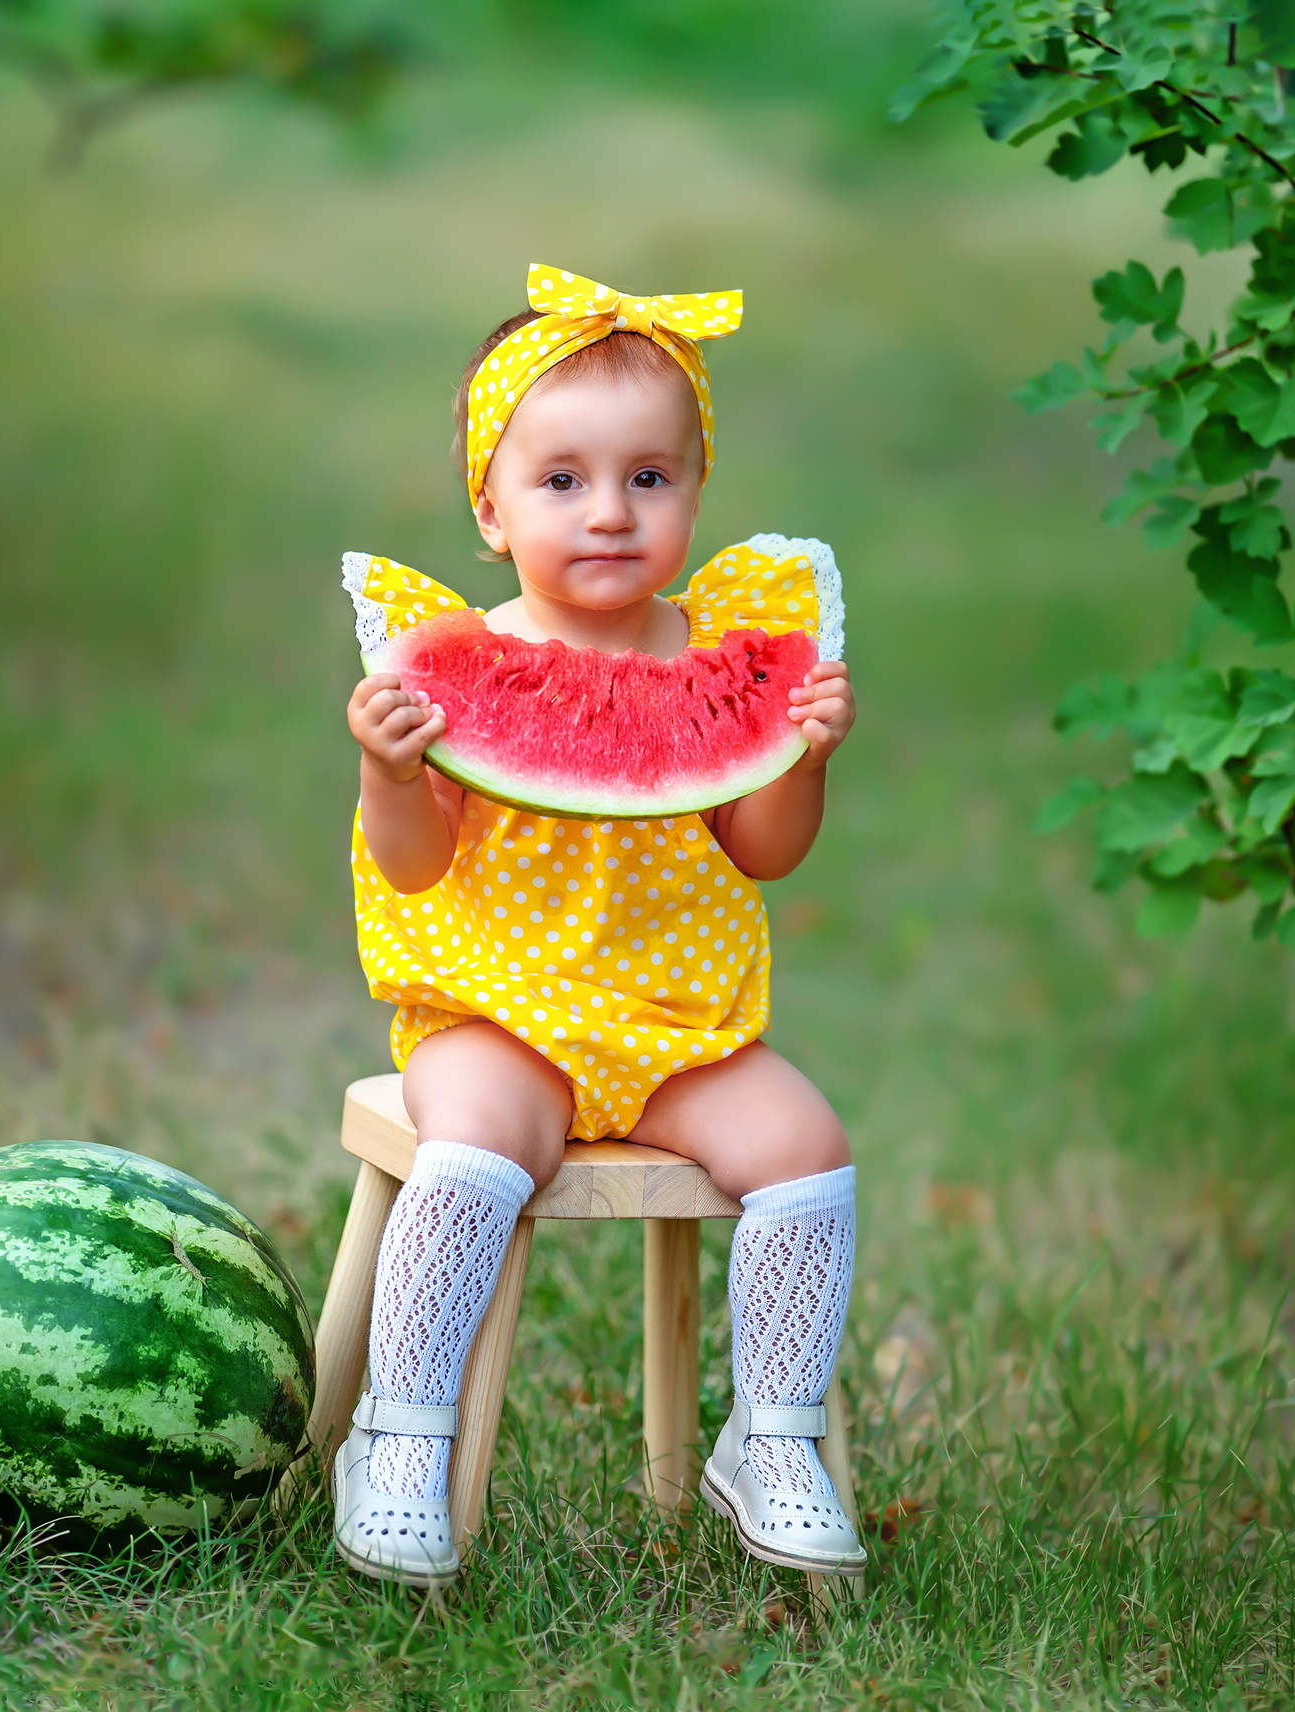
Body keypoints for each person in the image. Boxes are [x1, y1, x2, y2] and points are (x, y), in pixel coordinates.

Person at [333, 264, 864, 1588]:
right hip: (493, 1011)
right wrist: (389, 776)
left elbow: (767, 854)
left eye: (650, 478)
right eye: (562, 481)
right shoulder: (449, 664)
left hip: (676, 1021)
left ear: (694, 491)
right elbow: (411, 868)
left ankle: (774, 1434)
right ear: (491, 509)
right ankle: (401, 1430)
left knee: (805, 1144)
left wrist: (798, 759)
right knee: (481, 1138)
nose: (611, 513)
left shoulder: (725, 648)